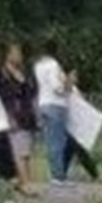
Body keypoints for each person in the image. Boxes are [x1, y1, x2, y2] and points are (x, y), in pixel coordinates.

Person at [0, 40, 41, 195]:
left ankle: (24, 181)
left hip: (26, 115)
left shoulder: (24, 73)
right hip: (13, 115)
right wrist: (7, 116)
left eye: (19, 53)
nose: (19, 56)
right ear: (7, 55)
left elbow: (32, 91)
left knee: (26, 151)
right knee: (19, 151)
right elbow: (1, 98)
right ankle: (26, 184)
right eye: (15, 53)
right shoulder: (2, 75)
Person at [30, 42, 72, 189]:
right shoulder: (54, 65)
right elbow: (57, 87)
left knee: (49, 140)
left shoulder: (37, 66)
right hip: (56, 104)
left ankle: (54, 173)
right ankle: (58, 175)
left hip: (43, 103)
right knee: (59, 141)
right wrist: (67, 84)